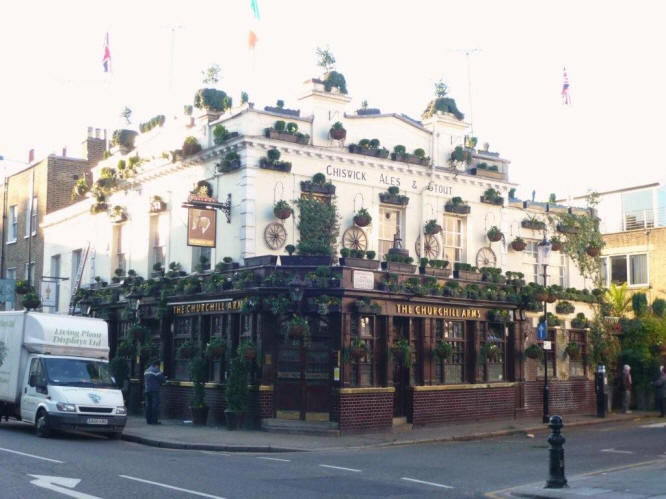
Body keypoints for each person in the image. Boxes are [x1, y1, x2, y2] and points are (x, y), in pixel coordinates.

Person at [144, 360, 166, 425]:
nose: (159, 367)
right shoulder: (156, 370)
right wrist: (164, 378)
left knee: (148, 405)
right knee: (155, 405)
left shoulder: (146, 370)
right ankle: (154, 421)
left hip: (147, 389)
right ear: (156, 365)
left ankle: (148, 420)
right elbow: (162, 379)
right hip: (154, 390)